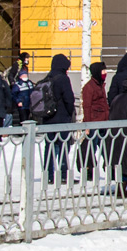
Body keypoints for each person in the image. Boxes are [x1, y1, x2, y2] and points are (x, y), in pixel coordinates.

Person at [40, 54, 77, 184]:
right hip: (61, 119)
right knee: (63, 147)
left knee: (49, 147)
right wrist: (69, 112)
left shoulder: (47, 78)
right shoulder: (63, 79)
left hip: (48, 118)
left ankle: (48, 174)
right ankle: (63, 175)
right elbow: (69, 99)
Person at [78, 61, 110, 182]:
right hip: (94, 123)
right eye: (103, 71)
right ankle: (89, 170)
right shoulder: (89, 87)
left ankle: (108, 168)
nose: (105, 73)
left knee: (106, 147)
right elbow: (86, 106)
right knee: (91, 148)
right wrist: (87, 125)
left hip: (103, 122)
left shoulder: (100, 84)